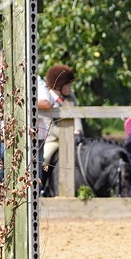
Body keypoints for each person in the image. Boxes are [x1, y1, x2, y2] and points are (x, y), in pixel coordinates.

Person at [37, 64, 81, 197]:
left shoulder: (71, 98)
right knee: (45, 159)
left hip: (72, 136)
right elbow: (50, 125)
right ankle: (42, 187)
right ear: (58, 85)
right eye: (67, 84)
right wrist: (66, 135)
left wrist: (78, 132)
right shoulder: (49, 99)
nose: (70, 87)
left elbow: (77, 117)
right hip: (53, 139)